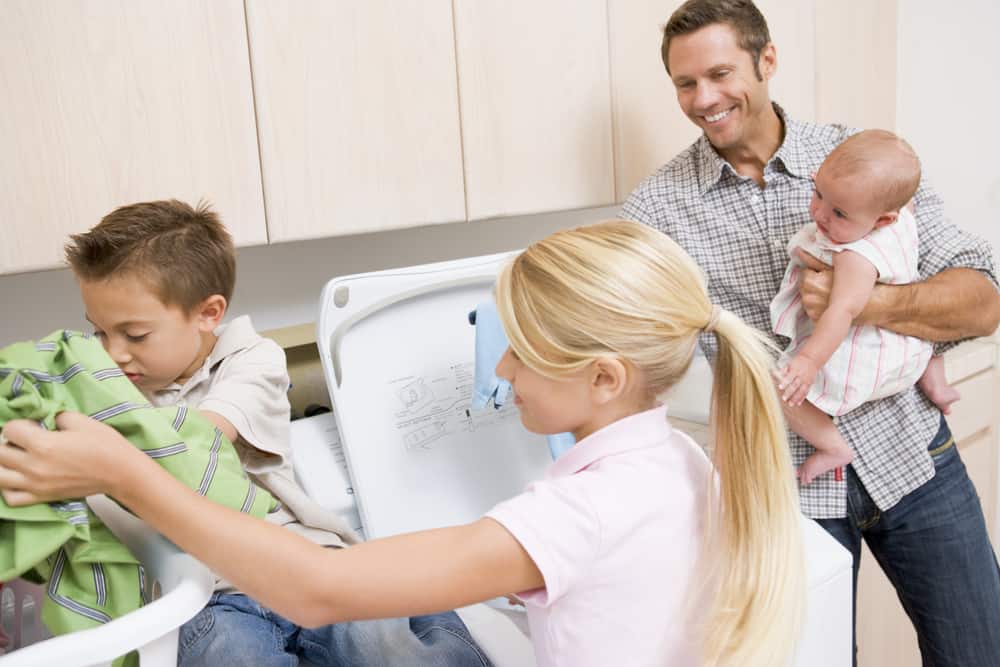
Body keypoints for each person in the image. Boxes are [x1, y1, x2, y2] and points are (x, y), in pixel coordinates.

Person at [0, 220, 808, 667]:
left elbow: (319, 589)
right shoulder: (681, 462)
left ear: (604, 377)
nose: (501, 367)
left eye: (520, 348)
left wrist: (121, 471)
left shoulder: (578, 513)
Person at [620, 1, 1000, 664]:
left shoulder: (862, 160)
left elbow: (983, 302)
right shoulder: (656, 208)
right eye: (685, 83)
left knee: (979, 649)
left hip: (915, 456)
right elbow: (634, 328)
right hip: (786, 482)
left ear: (767, 60)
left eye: (720, 72)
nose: (704, 99)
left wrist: (865, 302)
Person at [59, 200, 489, 667]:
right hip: (210, 591)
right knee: (229, 655)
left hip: (304, 560)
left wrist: (94, 446)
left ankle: (428, 611)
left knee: (384, 645)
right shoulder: (100, 386)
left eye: (134, 335)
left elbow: (199, 445)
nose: (113, 353)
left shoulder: (252, 359)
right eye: (99, 333)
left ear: (208, 313)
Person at [773, 129, 959, 485]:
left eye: (839, 212)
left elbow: (841, 312)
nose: (821, 215)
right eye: (818, 194)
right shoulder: (902, 211)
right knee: (919, 302)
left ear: (883, 220)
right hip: (913, 348)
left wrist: (808, 362)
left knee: (779, 387)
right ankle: (936, 384)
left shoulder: (855, 258)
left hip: (871, 355)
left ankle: (832, 447)